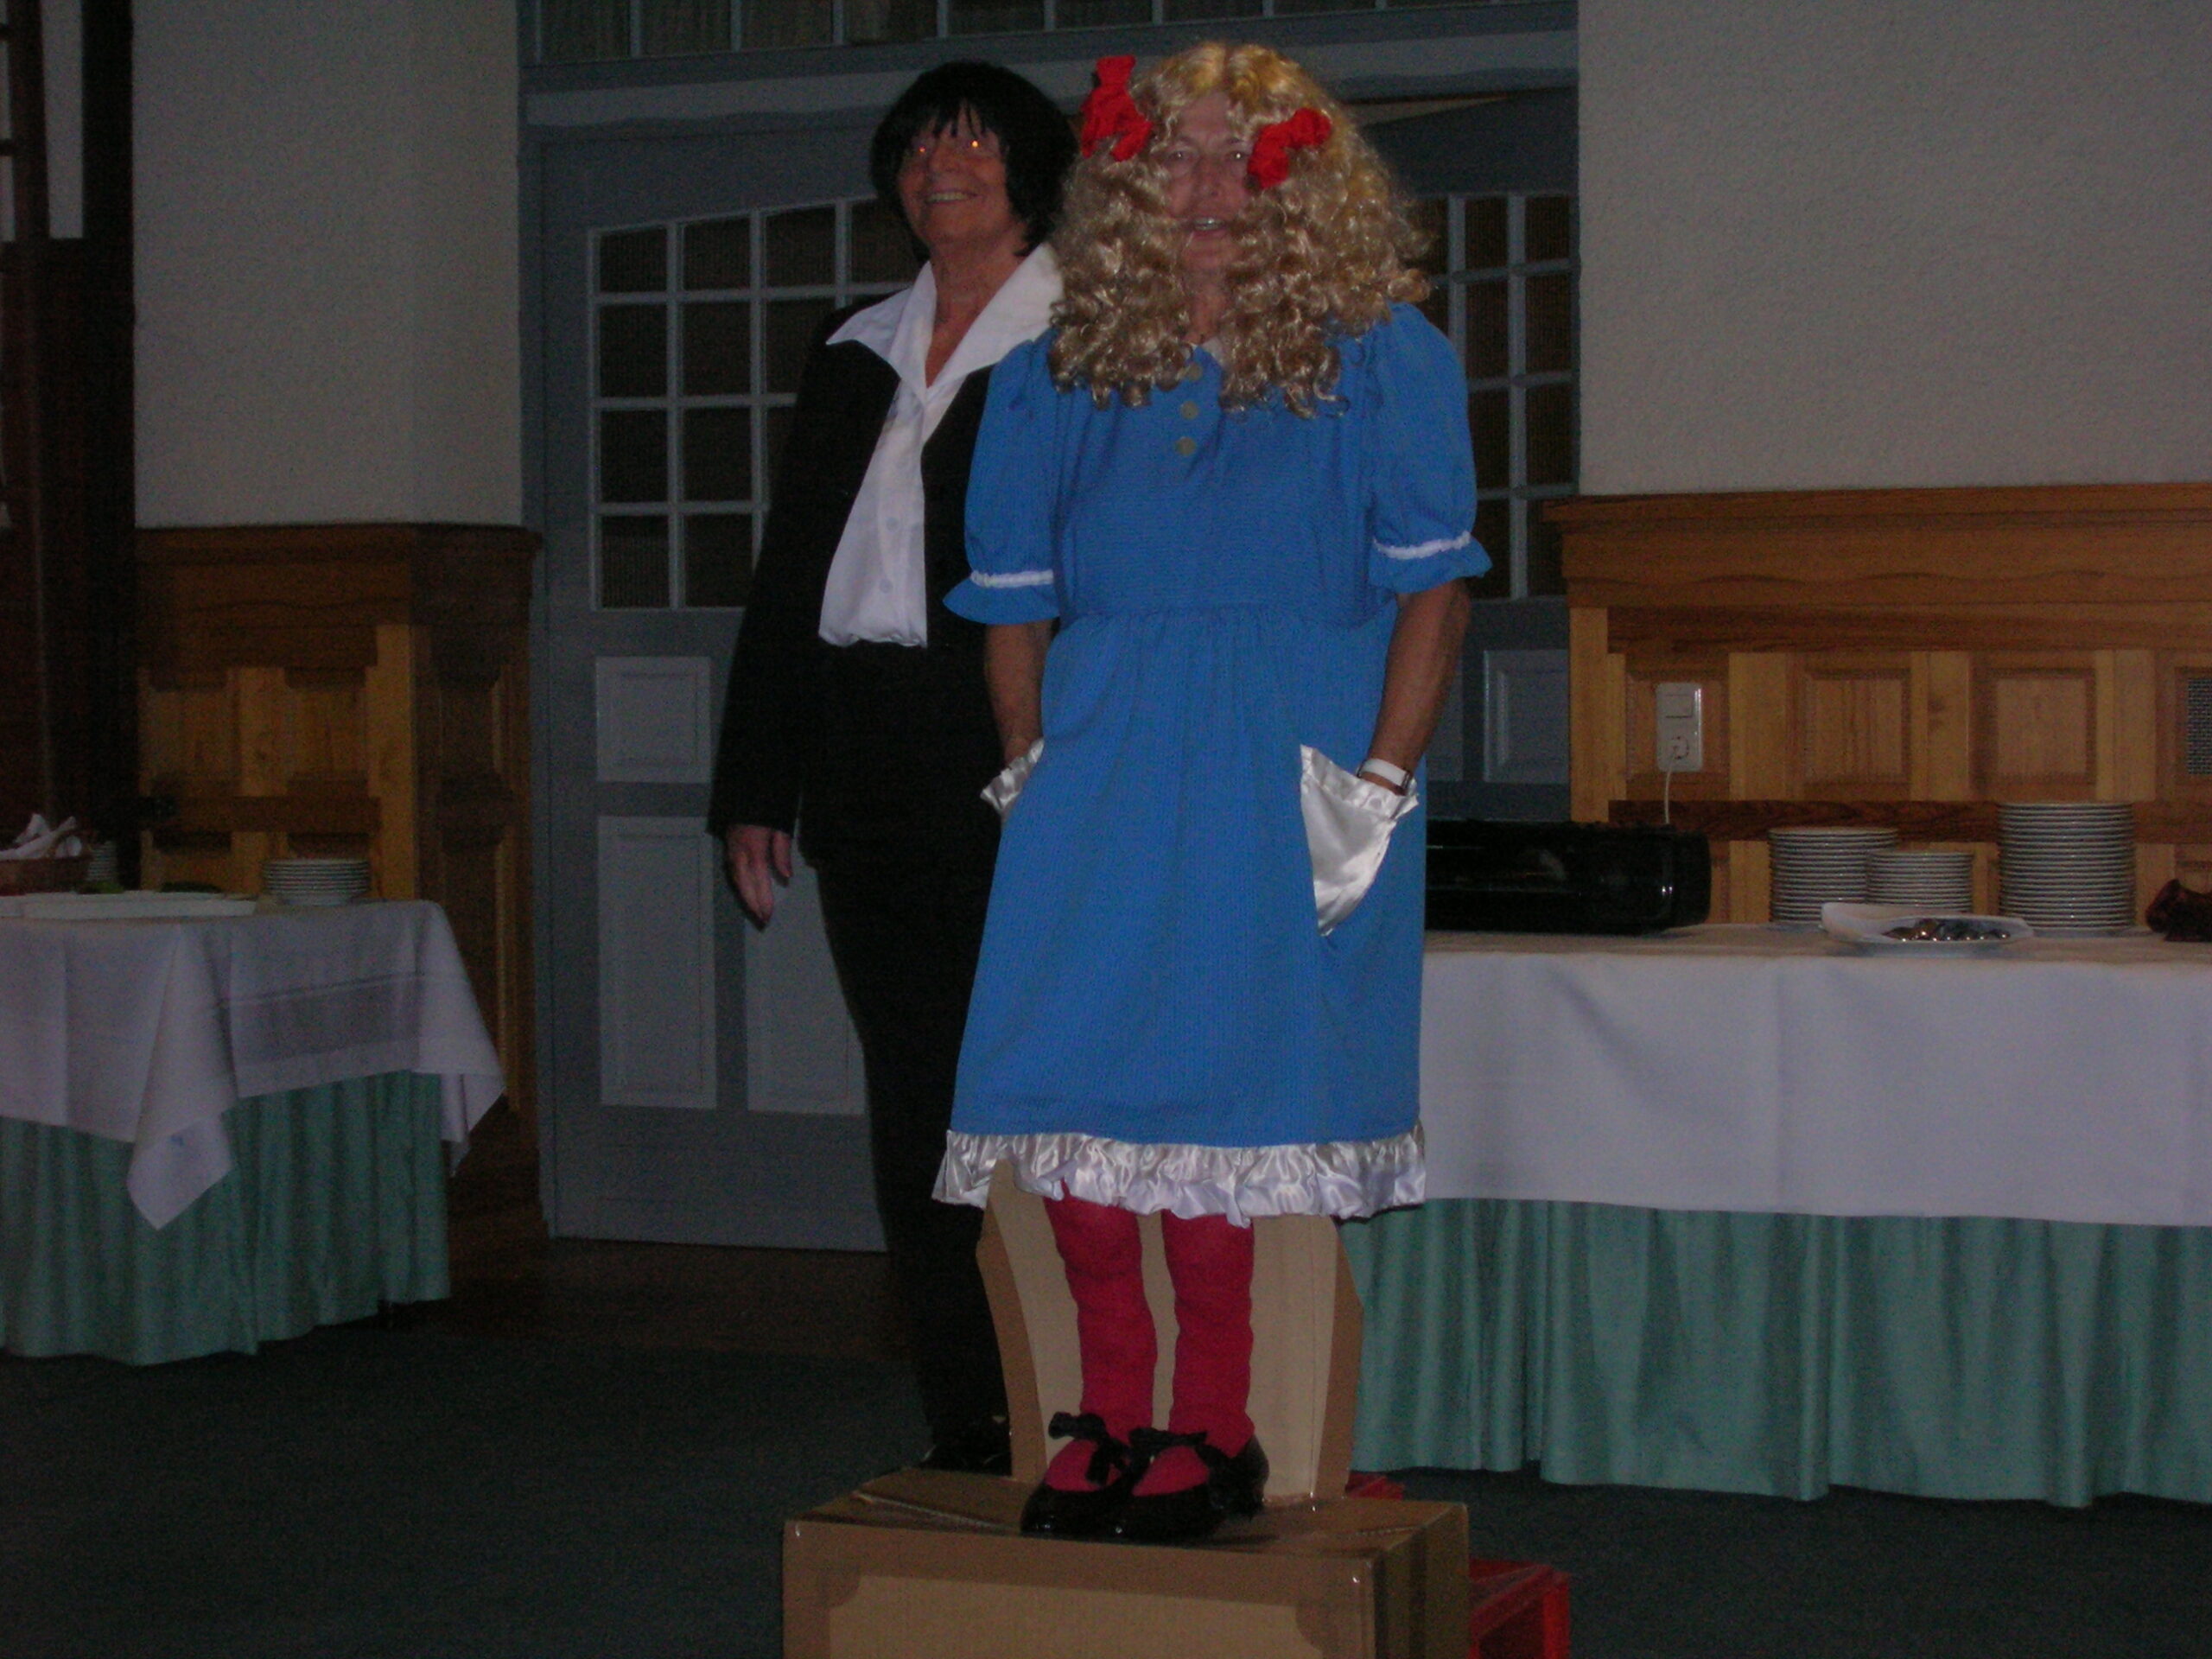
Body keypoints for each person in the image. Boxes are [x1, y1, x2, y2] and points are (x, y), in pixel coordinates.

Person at [934, 43, 1482, 1542]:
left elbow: (1435, 594)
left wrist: (1378, 784)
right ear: (1127, 186)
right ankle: (1112, 1402)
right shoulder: (1054, 372)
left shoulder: (1388, 357)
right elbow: (1012, 603)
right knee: (1067, 1087)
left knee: (1222, 1103)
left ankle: (1215, 1423)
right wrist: (1031, 763)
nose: (1207, 185)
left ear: (1304, 179)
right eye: (1173, 154)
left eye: (1241, 154)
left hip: (1286, 765)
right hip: (1100, 763)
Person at [706, 61, 1077, 1477]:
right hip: (864, 751)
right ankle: (969, 1414)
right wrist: (758, 782)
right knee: (918, 1096)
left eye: (973, 143)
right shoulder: (854, 344)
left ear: (1028, 169)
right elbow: (792, 570)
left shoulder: (1088, 338)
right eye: (921, 148)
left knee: (1033, 1086)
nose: (943, 168)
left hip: (1020, 743)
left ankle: (1077, 1396)